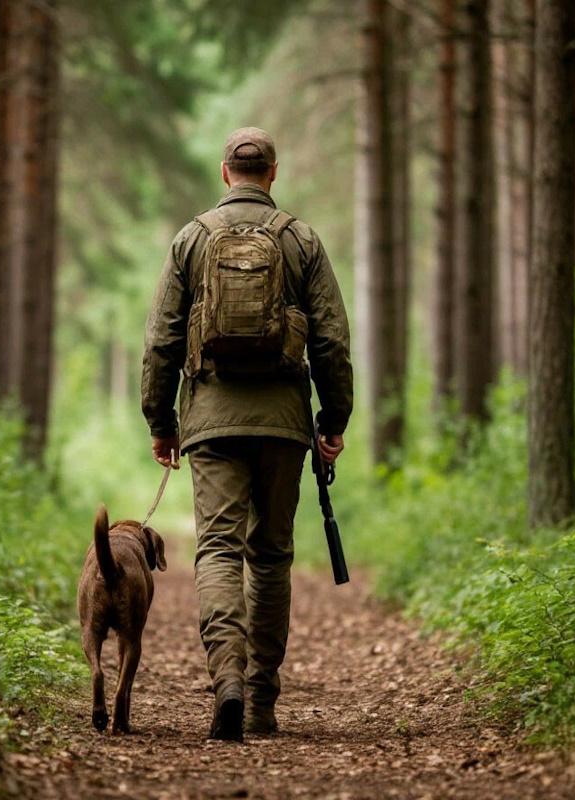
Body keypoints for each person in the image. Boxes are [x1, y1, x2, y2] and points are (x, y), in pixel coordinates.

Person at [141, 127, 353, 741]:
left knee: (218, 550)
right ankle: (261, 701)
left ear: (224, 172)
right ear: (273, 173)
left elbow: (161, 340)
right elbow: (331, 340)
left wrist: (162, 423)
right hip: (284, 424)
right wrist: (332, 422)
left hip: (209, 420)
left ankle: (226, 678)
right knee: (270, 555)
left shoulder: (191, 239)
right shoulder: (301, 239)